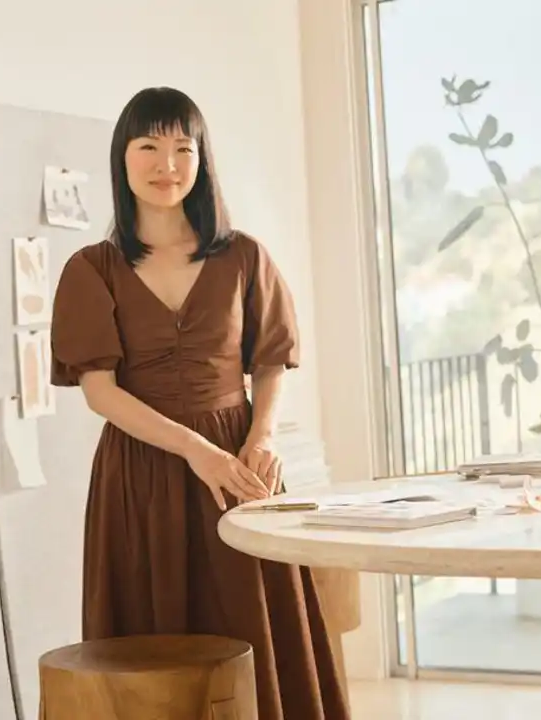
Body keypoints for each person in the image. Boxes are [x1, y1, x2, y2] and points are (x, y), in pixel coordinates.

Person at [49, 86, 349, 720]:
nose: (168, 165)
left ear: (202, 158)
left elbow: (270, 361)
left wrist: (260, 439)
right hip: (143, 472)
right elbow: (100, 391)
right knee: (152, 645)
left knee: (258, 627)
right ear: (122, 159)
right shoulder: (91, 268)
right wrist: (195, 450)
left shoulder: (244, 257)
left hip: (242, 464)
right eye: (149, 147)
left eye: (184, 148)